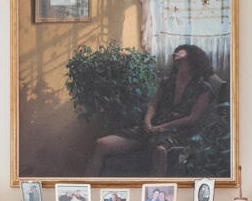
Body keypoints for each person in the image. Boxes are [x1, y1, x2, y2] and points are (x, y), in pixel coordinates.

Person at [91, 43, 218, 175]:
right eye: (175, 52)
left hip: (177, 132)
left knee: (160, 151)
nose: (176, 55)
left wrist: (164, 127)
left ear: (192, 58)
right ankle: (87, 190)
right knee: (101, 143)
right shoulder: (166, 82)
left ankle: (154, 194)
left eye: (181, 53)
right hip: (151, 127)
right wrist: (147, 121)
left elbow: (193, 118)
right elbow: (153, 105)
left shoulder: (204, 88)